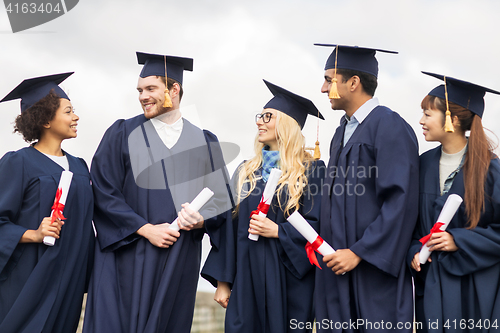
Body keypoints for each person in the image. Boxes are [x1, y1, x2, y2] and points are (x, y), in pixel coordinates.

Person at [83, 52, 231, 333]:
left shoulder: (203, 141)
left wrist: (201, 220)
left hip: (177, 258)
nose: (142, 96)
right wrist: (144, 228)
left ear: (173, 90)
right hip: (124, 255)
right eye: (140, 90)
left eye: (150, 89)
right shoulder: (122, 133)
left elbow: (221, 202)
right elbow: (103, 190)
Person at [202, 80, 325, 333]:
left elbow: (318, 223)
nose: (260, 121)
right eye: (260, 116)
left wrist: (279, 231)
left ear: (287, 124)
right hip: (247, 280)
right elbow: (229, 227)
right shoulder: (246, 171)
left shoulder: (311, 172)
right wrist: (223, 281)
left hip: (289, 281)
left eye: (268, 116)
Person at [313, 44, 419, 332]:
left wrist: (359, 252)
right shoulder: (340, 133)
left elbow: (400, 200)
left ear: (353, 82)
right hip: (336, 268)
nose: (323, 88)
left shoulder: (389, 126)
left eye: (328, 79)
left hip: (372, 273)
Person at [0, 73, 95, 333]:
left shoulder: (80, 166)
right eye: (68, 111)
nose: (76, 117)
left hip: (70, 280)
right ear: (45, 119)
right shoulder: (18, 162)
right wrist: (33, 234)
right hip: (29, 277)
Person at [408, 72, 500, 332]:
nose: (421, 121)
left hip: (475, 289)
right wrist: (413, 252)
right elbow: (412, 226)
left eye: (427, 114)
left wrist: (458, 240)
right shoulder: (421, 165)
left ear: (452, 119)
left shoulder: (490, 169)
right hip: (432, 288)